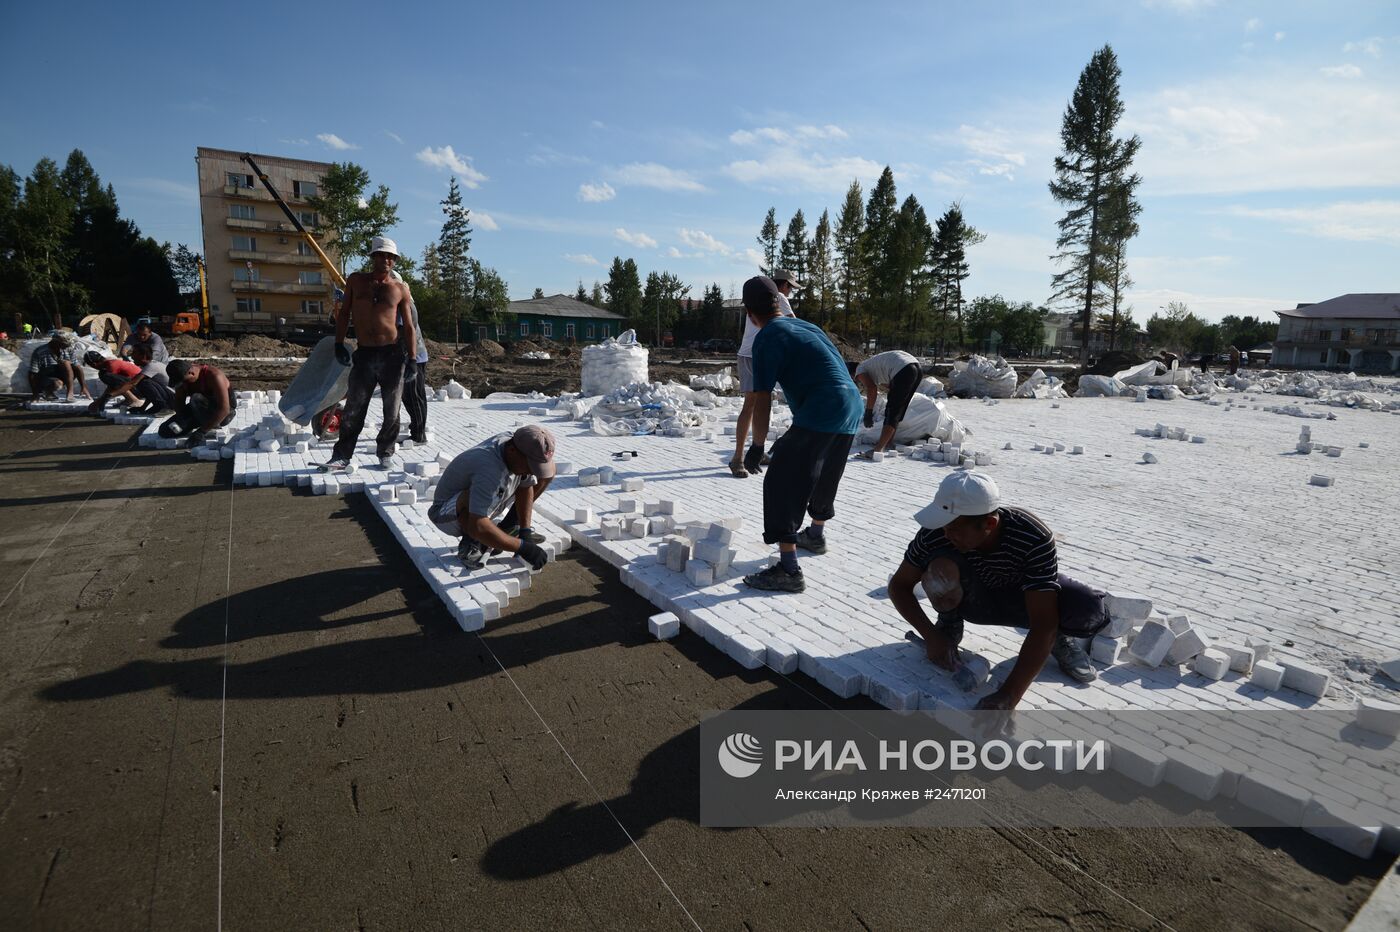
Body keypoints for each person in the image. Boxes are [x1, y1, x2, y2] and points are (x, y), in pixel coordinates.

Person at [885, 471, 1107, 711]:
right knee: (939, 568)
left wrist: (1008, 695)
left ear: (989, 523)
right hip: (974, 600)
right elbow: (899, 585)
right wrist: (930, 635)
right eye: (943, 526)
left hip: (1021, 598)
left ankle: (1059, 639)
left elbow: (1043, 623)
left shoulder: (1033, 536)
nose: (946, 535)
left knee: (1087, 607)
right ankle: (949, 624)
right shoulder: (937, 531)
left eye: (955, 529)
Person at [740, 276, 863, 593]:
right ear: (778, 303)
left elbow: (763, 398)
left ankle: (789, 570)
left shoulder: (766, 338)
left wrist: (757, 446)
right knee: (824, 471)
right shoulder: (808, 327)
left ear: (749, 313)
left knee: (781, 480)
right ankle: (816, 535)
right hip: (851, 404)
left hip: (822, 406)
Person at [323, 235, 416, 472]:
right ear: (373, 257)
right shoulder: (355, 281)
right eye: (382, 255)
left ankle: (385, 452)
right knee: (355, 406)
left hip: (392, 356)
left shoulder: (399, 288)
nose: (386, 260)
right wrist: (339, 343)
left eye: (390, 257)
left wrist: (413, 359)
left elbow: (408, 325)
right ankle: (342, 455)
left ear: (394, 261)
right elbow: (344, 314)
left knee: (391, 409)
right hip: (364, 354)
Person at [427, 426, 557, 573]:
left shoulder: (515, 444)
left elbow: (526, 483)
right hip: (446, 513)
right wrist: (522, 547)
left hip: (486, 500)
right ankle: (471, 542)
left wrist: (524, 533)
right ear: (512, 451)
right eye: (529, 465)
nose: (530, 471)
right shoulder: (489, 469)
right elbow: (478, 525)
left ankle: (508, 527)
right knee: (471, 501)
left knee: (546, 473)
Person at [729, 268, 799, 478]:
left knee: (757, 403)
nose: (790, 293)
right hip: (755, 356)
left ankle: (754, 450)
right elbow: (793, 324)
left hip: (752, 354)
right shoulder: (778, 299)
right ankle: (738, 458)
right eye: (790, 288)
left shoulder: (759, 298)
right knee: (754, 404)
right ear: (784, 285)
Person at [851, 350, 923, 459]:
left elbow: (871, 388)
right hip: (916, 368)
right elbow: (889, 384)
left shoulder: (859, 370)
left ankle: (878, 449)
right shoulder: (872, 366)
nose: (859, 381)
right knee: (898, 409)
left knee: (892, 410)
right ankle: (888, 443)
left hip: (903, 369)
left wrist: (868, 412)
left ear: (852, 374)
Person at [160, 359, 235, 440]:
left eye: (184, 381)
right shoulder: (182, 379)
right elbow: (179, 401)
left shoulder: (214, 376)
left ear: (191, 373)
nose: (182, 384)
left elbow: (224, 409)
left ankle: (209, 425)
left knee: (196, 398)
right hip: (198, 409)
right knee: (165, 430)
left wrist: (202, 431)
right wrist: (182, 420)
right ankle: (198, 422)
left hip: (223, 413)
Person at [87, 346, 175, 415]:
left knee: (143, 382)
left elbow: (133, 383)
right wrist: (143, 407)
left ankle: (163, 407)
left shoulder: (151, 367)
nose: (131, 356)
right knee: (143, 382)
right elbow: (151, 391)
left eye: (134, 353)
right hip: (167, 396)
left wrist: (107, 396)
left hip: (170, 398)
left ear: (143, 356)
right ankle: (158, 406)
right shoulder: (149, 366)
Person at [398, 279, 430, 444]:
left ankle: (419, 434)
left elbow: (404, 331)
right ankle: (418, 430)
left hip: (414, 357)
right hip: (416, 355)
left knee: (413, 396)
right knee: (415, 395)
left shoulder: (405, 305)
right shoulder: (406, 302)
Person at [28, 331, 92, 403]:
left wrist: (83, 387)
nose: (66, 347)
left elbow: (78, 368)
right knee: (57, 382)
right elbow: (33, 373)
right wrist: (35, 394)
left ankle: (70, 393)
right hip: (46, 377)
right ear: (55, 342)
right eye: (64, 345)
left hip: (62, 375)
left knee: (67, 363)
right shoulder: (40, 352)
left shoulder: (68, 349)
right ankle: (47, 391)